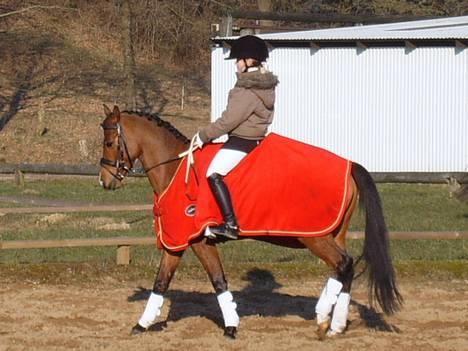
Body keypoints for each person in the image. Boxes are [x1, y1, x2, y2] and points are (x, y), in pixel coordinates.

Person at [194, 35, 279, 240]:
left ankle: (230, 224)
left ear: (249, 60)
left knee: (213, 173)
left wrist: (203, 135)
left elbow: (229, 121)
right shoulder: (263, 86)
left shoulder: (247, 89)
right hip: (255, 139)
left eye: (238, 59)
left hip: (242, 141)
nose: (236, 63)